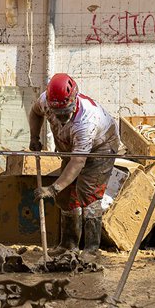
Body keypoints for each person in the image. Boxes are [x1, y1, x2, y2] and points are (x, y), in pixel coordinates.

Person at [28, 73, 120, 263]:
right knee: (65, 195)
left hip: (101, 146)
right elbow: (35, 113)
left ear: (74, 100)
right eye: (57, 113)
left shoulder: (86, 121)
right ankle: (68, 244)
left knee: (88, 193)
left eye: (65, 112)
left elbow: (78, 162)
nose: (61, 117)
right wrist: (34, 137)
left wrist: (53, 188)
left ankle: (92, 249)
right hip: (71, 147)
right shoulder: (46, 100)